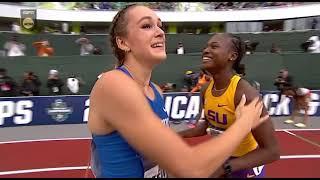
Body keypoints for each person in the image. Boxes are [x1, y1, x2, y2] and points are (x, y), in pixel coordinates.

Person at [87, 4, 268, 178]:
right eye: (146, 25)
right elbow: (189, 168)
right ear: (123, 42)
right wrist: (244, 123)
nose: (160, 32)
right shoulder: (113, 83)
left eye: (160, 25)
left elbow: (160, 166)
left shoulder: (155, 91)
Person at [178, 33, 280, 178]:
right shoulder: (206, 89)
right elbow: (203, 127)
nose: (206, 50)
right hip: (221, 160)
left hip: (244, 167)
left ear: (232, 56)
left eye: (214, 47)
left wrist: (225, 168)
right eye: (206, 47)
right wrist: (172, 136)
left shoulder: (246, 95)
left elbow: (272, 151)